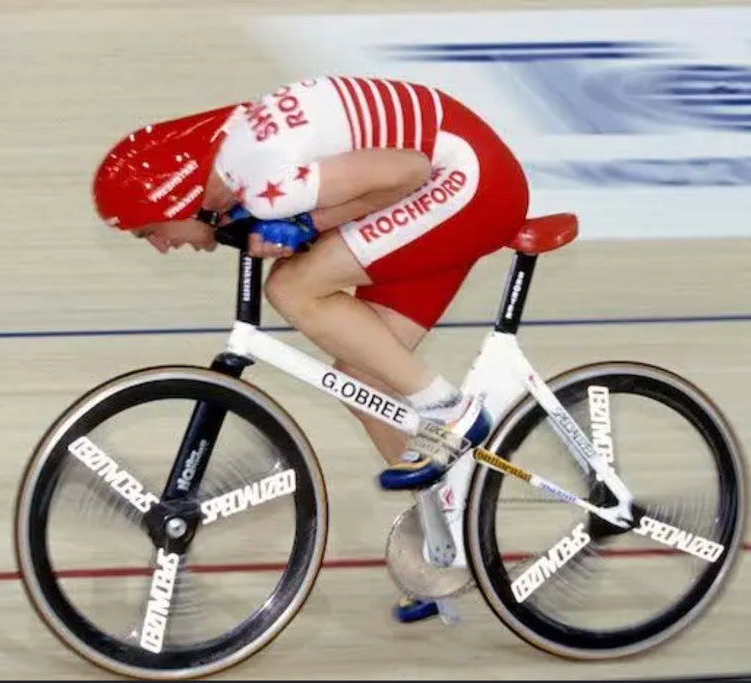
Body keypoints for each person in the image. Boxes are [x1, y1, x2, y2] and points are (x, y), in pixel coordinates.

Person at [92, 75, 530, 623]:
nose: (159, 245)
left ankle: (450, 409)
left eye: (148, 231)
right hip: (448, 176)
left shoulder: (261, 177)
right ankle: (451, 532)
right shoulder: (233, 168)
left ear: (175, 196)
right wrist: (299, 225)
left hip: (466, 179)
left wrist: (307, 222)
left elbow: (408, 172)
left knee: (291, 287)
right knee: (363, 380)